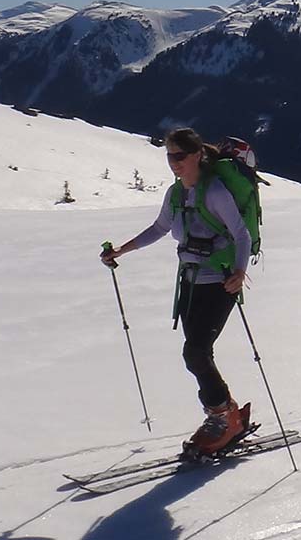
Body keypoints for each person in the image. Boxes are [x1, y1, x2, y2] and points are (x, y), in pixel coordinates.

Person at [101, 127, 254, 457]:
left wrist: (240, 273)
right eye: (170, 156)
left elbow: (241, 235)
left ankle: (223, 417)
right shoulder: (175, 194)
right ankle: (225, 414)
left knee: (195, 353)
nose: (174, 162)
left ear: (197, 154)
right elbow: (159, 228)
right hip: (189, 282)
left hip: (219, 281)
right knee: (199, 353)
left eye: (180, 156)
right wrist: (122, 251)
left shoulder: (214, 192)